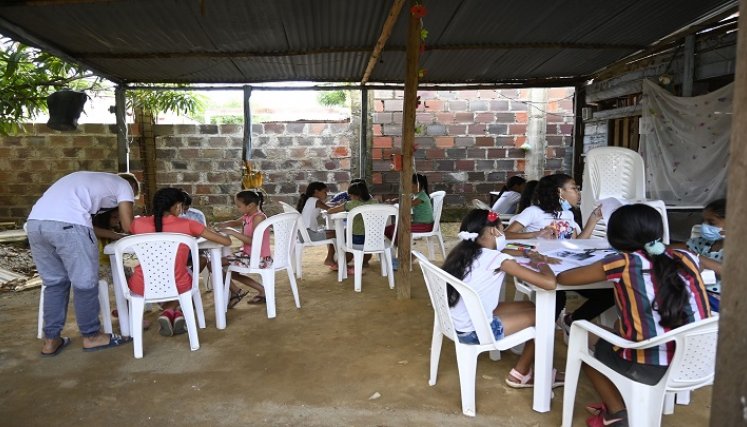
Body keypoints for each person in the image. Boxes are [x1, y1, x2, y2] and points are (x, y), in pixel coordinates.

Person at [556, 204, 711, 427]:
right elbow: (697, 262)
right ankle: (622, 399)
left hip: (651, 367)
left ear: (615, 237)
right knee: (619, 326)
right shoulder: (687, 257)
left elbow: (564, 278)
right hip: (698, 361)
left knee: (581, 338)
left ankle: (616, 413)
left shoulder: (621, 263)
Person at [442, 209, 562, 388]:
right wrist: (540, 261)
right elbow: (549, 283)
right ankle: (520, 374)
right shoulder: (499, 259)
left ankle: (531, 361)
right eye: (502, 228)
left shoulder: (464, 251)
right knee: (545, 316)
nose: (504, 233)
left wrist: (526, 253)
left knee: (530, 305)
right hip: (473, 331)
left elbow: (503, 250)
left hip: (457, 321)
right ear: (493, 231)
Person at [27, 171, 139, 356]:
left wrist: (116, 235)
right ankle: (92, 336)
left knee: (54, 283)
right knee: (85, 283)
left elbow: (84, 224)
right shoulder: (125, 185)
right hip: (69, 226)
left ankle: (51, 340)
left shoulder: (89, 181)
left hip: (35, 224)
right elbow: (128, 226)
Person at [504, 173, 611, 334]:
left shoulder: (568, 214)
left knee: (608, 293)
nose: (578, 193)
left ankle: (573, 320)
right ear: (559, 192)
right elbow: (505, 235)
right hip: (542, 268)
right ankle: (537, 342)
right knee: (557, 298)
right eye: (574, 188)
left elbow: (576, 245)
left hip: (567, 268)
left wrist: (593, 220)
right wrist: (535, 234)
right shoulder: (533, 212)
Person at [129, 188, 231, 336]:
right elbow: (225, 242)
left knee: (149, 281)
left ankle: (170, 311)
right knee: (187, 275)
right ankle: (171, 310)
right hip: (178, 284)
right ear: (177, 206)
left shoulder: (137, 223)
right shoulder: (188, 224)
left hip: (141, 284)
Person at [214, 190, 272, 306]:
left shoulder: (259, 217)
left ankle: (237, 292)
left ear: (250, 206)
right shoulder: (248, 215)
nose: (237, 208)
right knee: (218, 265)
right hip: (248, 255)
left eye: (239, 206)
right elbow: (235, 222)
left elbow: (253, 241)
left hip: (259, 258)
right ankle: (257, 290)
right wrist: (222, 225)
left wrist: (232, 232)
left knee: (214, 264)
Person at [671, 198, 725, 312]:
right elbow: (684, 247)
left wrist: (697, 257)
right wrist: (657, 247)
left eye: (711, 222)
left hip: (720, 299)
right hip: (699, 290)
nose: (705, 226)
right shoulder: (704, 242)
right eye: (704, 221)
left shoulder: (738, 249)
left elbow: (726, 270)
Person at [327, 181, 378, 266]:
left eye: (350, 195)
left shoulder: (351, 204)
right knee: (352, 236)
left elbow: (330, 211)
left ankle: (342, 263)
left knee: (343, 235)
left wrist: (339, 206)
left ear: (355, 195)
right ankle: (364, 261)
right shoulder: (375, 202)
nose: (350, 197)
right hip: (373, 238)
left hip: (357, 238)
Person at [297, 182, 339, 270]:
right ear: (316, 191)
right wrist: (341, 206)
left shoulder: (310, 200)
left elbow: (328, 207)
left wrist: (335, 206)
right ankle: (332, 259)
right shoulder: (314, 200)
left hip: (304, 234)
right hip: (309, 235)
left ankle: (330, 258)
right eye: (324, 192)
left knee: (334, 233)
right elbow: (330, 210)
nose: (326, 194)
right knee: (339, 234)